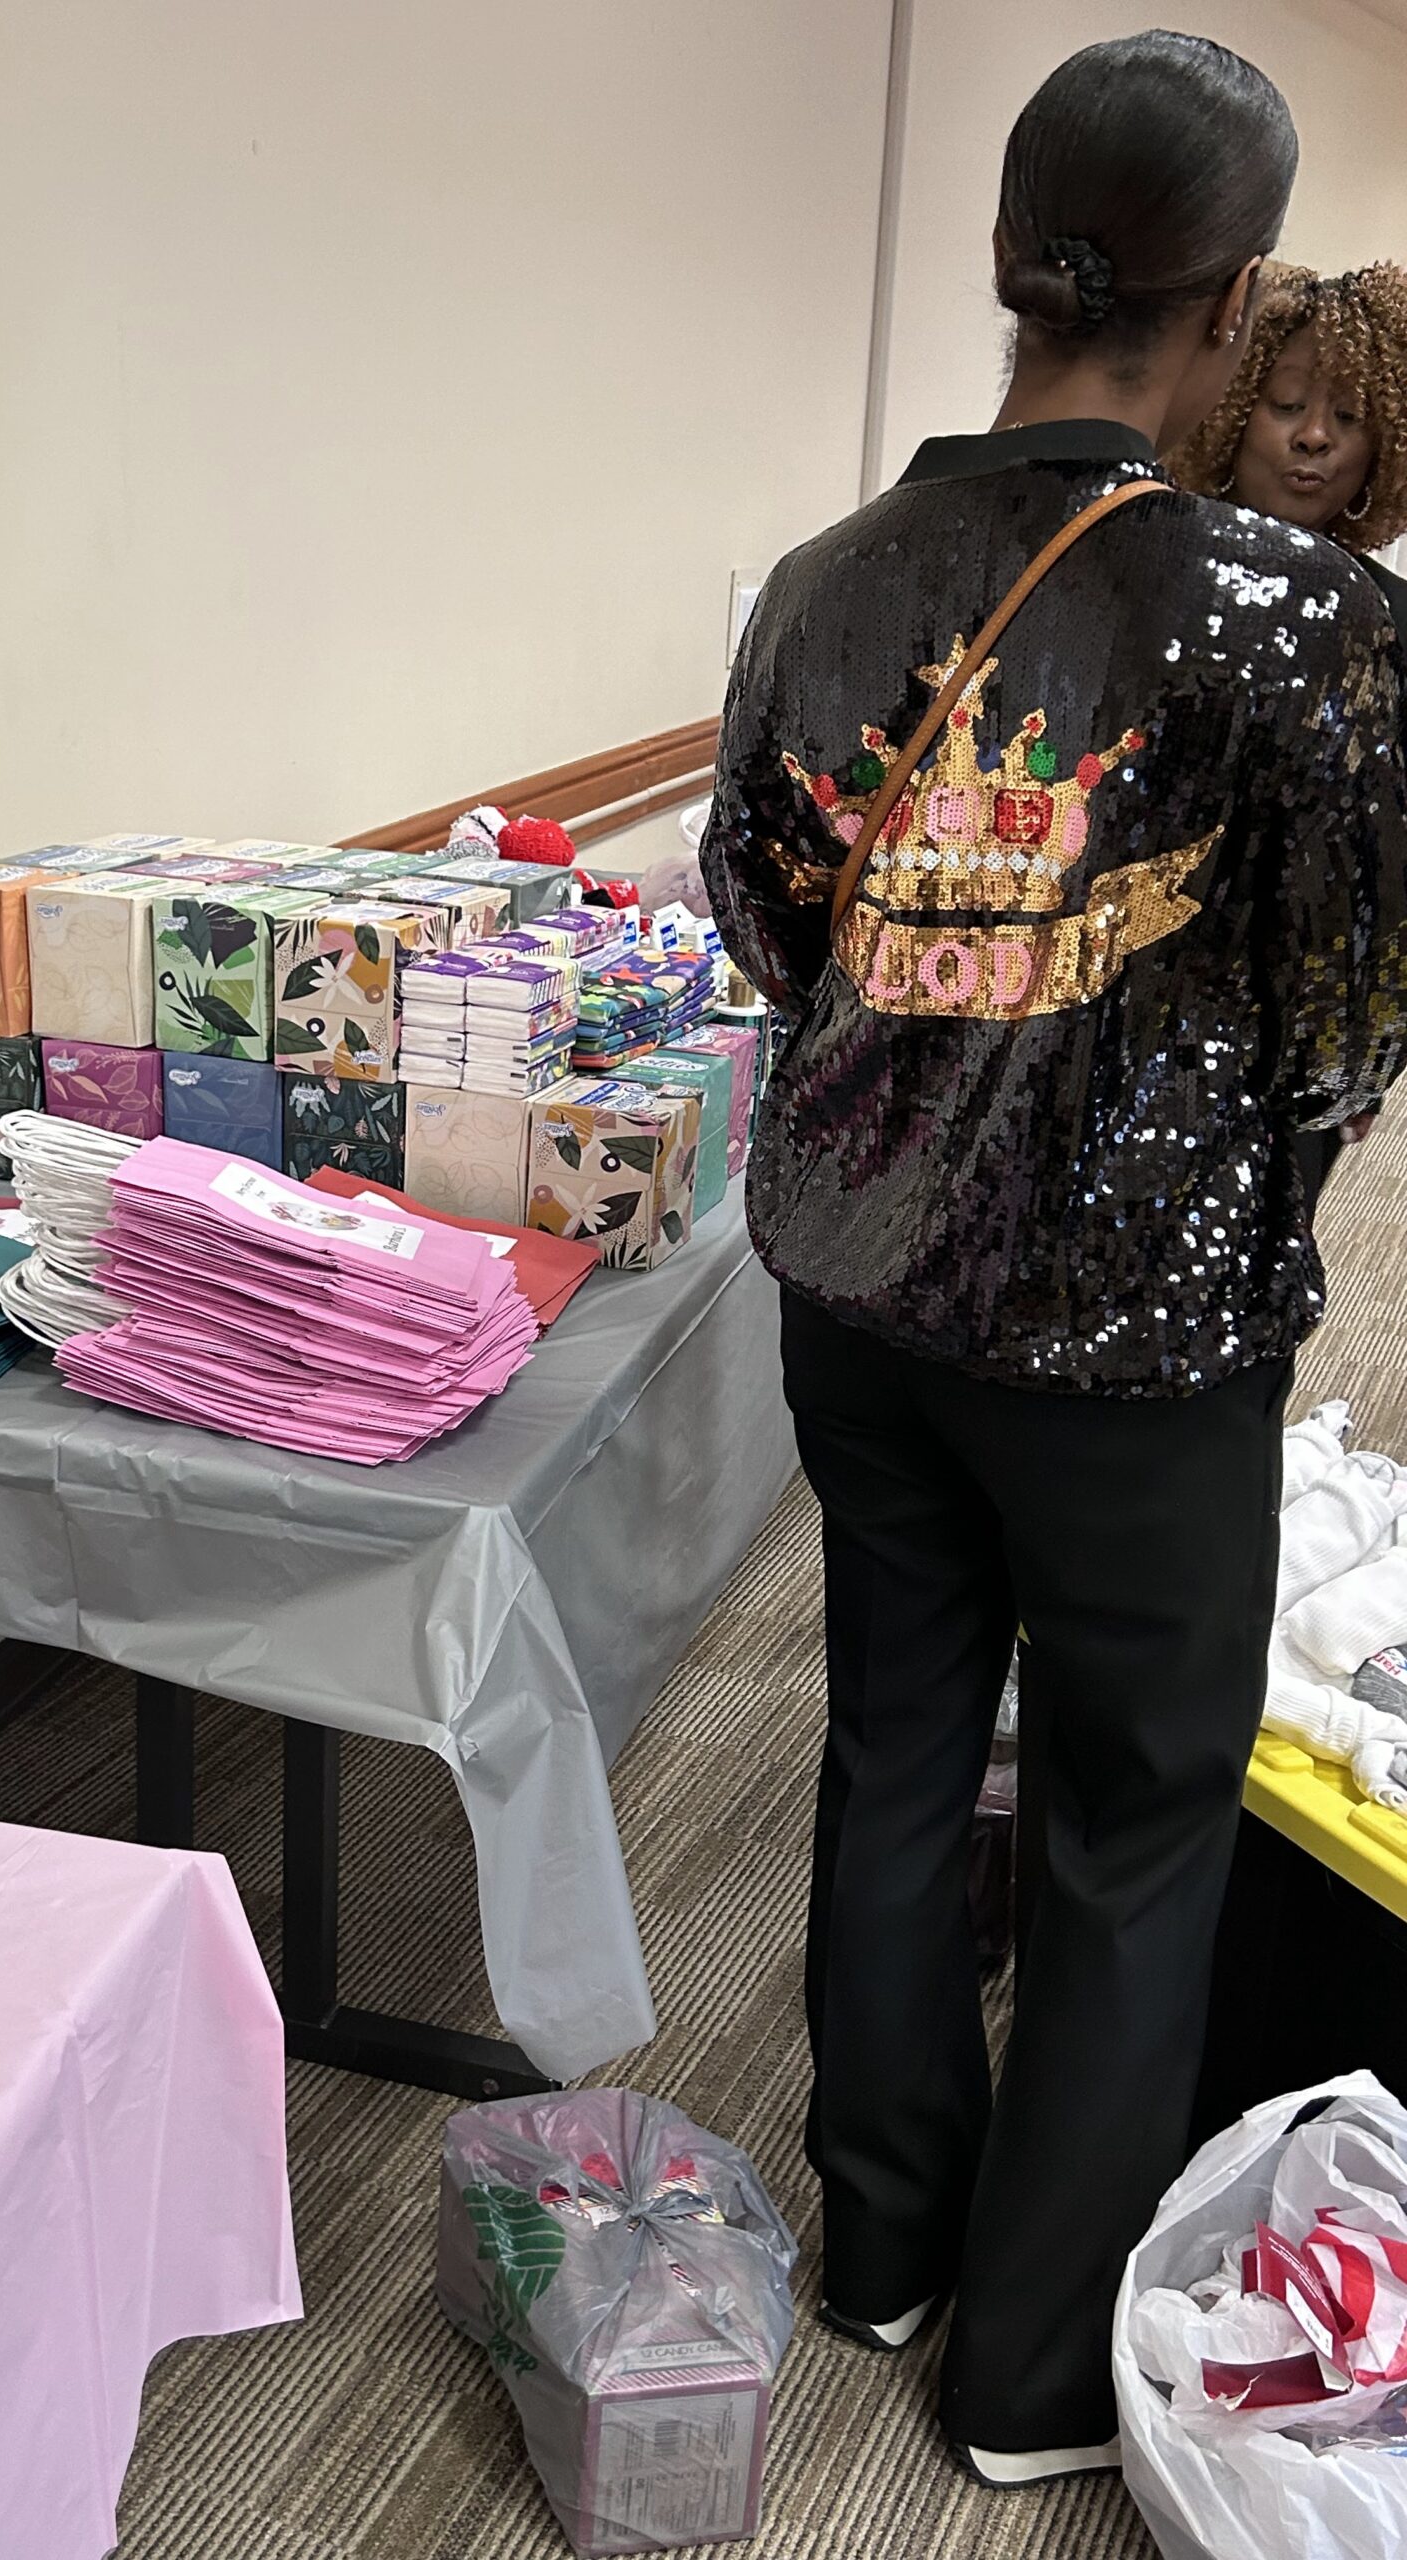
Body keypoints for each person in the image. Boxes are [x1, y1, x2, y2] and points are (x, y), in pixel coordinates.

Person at [701, 32, 1407, 2486]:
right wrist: (1198, 1123)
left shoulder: (821, 584)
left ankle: (879, 2239)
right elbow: (1355, 1003)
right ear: (1232, 304)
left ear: (1018, 266)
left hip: (858, 1291)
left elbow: (769, 918)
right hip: (1138, 1330)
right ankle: (1020, 2379)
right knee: (1128, 1816)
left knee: (899, 1739)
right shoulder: (1299, 616)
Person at [1170, 260, 1407, 1211]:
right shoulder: (1151, 577)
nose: (1315, 437)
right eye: (1287, 406)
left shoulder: (1390, 625)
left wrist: (1370, 1046)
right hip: (1120, 1002)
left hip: (1291, 1056)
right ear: (1231, 410)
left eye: (1348, 417)